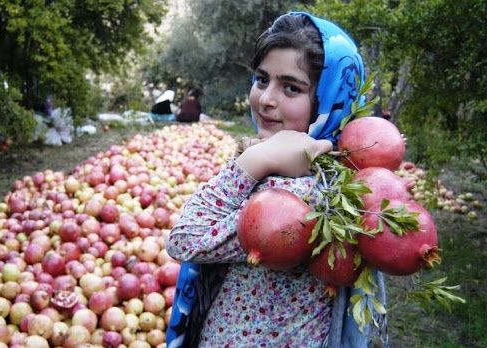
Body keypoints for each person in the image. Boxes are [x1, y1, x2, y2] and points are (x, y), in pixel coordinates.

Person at [166, 11, 388, 348]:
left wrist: (254, 160)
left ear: (327, 100)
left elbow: (184, 239)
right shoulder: (334, 173)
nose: (267, 99)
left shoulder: (301, 196)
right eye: (261, 79)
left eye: (291, 87)